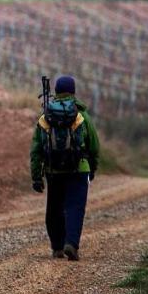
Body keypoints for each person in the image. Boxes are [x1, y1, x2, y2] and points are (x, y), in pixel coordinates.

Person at [30, 74, 100, 261]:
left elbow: (36, 149)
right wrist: (92, 167)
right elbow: (93, 145)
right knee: (75, 207)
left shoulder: (47, 116)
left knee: (54, 208)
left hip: (54, 170)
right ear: (73, 91)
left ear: (56, 91)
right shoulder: (81, 115)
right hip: (79, 169)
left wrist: (36, 176)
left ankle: (57, 247)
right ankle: (71, 244)